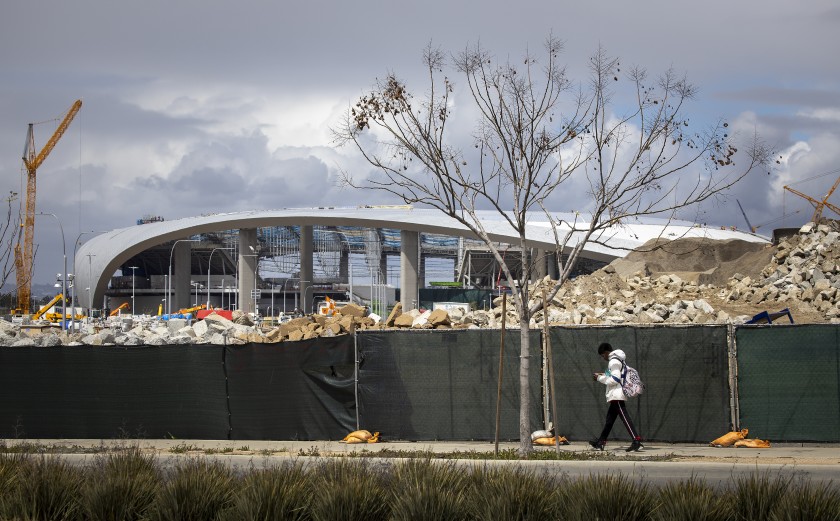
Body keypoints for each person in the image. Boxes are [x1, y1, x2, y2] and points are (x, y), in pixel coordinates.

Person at [590, 342, 644, 452]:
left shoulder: (613, 361)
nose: (603, 357)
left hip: (617, 394)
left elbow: (615, 380)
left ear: (606, 352)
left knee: (625, 418)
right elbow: (614, 376)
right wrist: (603, 375)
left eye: (602, 355)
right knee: (609, 420)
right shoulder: (618, 360)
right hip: (616, 394)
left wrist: (599, 379)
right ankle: (601, 442)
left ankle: (636, 440)